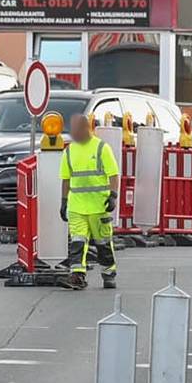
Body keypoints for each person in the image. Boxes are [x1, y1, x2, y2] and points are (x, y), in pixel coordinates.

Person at [60, 113, 121, 289]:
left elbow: (113, 174)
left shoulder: (101, 148)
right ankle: (77, 275)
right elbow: (66, 179)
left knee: (103, 243)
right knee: (77, 242)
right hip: (77, 206)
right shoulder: (69, 151)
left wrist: (113, 196)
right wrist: (64, 201)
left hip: (99, 206)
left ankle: (108, 273)